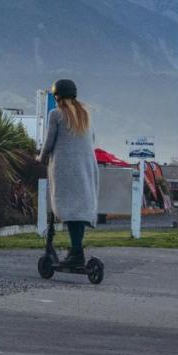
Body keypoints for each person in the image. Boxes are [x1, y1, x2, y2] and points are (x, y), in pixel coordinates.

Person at [38, 78, 99, 267]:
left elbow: (49, 142)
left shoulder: (56, 115)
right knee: (79, 210)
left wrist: (40, 158)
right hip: (86, 168)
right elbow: (92, 139)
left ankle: (76, 254)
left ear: (57, 96)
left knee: (70, 209)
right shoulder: (85, 115)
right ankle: (76, 249)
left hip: (65, 169)